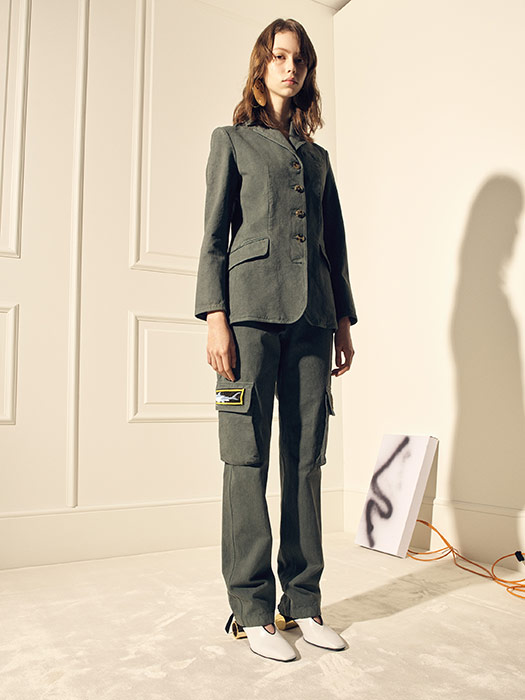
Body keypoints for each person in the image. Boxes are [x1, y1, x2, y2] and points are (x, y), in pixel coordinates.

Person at [195, 17, 357, 662]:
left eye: (300, 60)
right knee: (246, 457)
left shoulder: (318, 160)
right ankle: (252, 609)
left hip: (314, 319)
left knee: (306, 459)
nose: (291, 68)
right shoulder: (232, 141)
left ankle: (304, 601)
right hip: (249, 317)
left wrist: (343, 320)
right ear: (262, 66)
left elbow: (333, 246)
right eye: (280, 56)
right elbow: (213, 235)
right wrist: (215, 316)